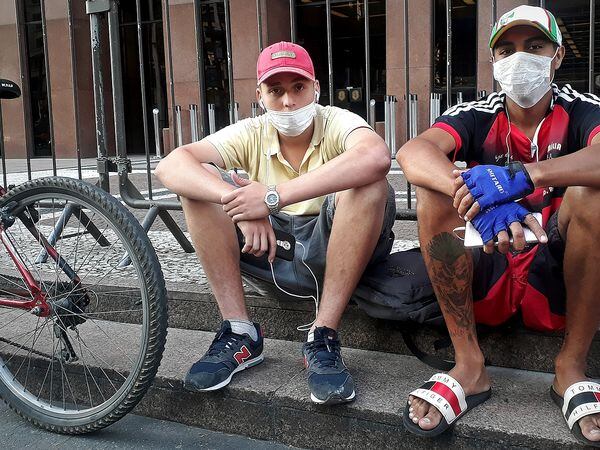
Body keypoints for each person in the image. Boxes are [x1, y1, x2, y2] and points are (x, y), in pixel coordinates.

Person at [396, 5, 600, 445]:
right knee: (439, 188)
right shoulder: (477, 111)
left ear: (558, 55)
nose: (519, 58)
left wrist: (527, 176)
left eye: (535, 46)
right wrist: (480, 200)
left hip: (558, 267)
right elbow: (413, 153)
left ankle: (570, 367)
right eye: (506, 50)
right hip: (489, 261)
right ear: (493, 63)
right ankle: (469, 365)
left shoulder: (583, 109)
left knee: (593, 193)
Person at [155, 41, 395, 405]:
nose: (288, 102)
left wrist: (270, 198)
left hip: (334, 248)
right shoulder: (252, 130)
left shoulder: (336, 121)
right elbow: (172, 164)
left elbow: (376, 155)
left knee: (371, 184)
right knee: (199, 185)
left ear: (316, 88)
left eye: (298, 87)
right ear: (260, 95)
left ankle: (323, 333)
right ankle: (239, 333)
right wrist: (238, 203)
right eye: (276, 90)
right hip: (271, 253)